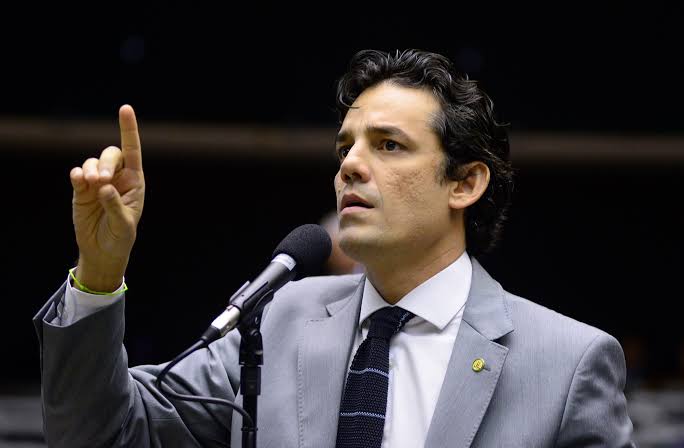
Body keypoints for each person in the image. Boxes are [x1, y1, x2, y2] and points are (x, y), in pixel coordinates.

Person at [34, 49, 635, 447]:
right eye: (346, 147)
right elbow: (99, 434)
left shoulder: (568, 362)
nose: (350, 165)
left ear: (464, 183)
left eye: (389, 145)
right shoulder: (276, 320)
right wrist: (99, 272)